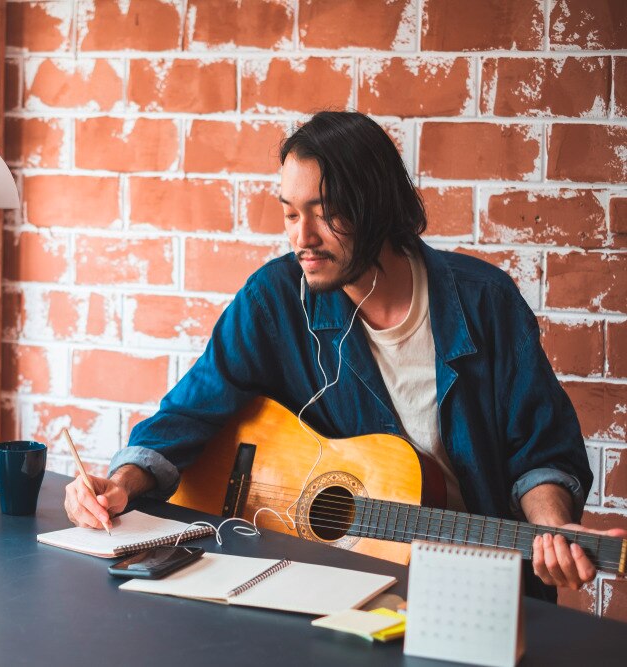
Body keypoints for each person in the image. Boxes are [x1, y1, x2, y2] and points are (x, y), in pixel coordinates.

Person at [63, 111, 625, 599]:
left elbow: (542, 452)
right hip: (329, 580)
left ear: (376, 206)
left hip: (474, 582)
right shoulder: (275, 300)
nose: (301, 237)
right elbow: (188, 413)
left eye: (323, 211)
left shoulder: (484, 301)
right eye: (289, 212)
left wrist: (551, 531)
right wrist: (122, 483)